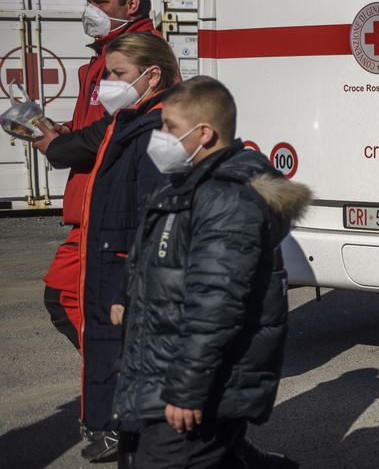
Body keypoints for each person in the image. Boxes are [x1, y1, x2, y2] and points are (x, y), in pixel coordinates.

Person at [113, 76, 309, 467]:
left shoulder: (226, 197)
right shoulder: (186, 186)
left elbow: (215, 305)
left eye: (170, 127)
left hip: (199, 387)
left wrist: (186, 389)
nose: (161, 136)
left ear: (204, 133)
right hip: (166, 372)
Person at [34, 31, 176, 463]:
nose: (107, 85)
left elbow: (165, 221)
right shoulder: (128, 120)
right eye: (106, 74)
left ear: (152, 76)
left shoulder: (159, 131)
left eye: (118, 74)